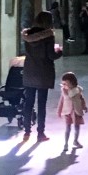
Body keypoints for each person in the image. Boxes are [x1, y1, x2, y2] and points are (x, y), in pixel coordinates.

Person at [20, 10, 62, 142]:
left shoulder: (27, 34)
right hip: (43, 72)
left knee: (28, 103)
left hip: (29, 71)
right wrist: (59, 51)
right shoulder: (48, 36)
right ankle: (40, 133)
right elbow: (51, 55)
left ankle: (26, 132)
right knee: (41, 104)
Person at [56, 71, 88, 150]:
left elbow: (81, 99)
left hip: (76, 111)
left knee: (77, 127)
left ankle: (75, 141)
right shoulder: (64, 91)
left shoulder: (78, 90)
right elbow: (61, 101)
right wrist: (59, 111)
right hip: (67, 112)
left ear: (72, 83)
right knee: (68, 128)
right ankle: (66, 143)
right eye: (63, 84)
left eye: (65, 84)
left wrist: (84, 106)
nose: (64, 86)